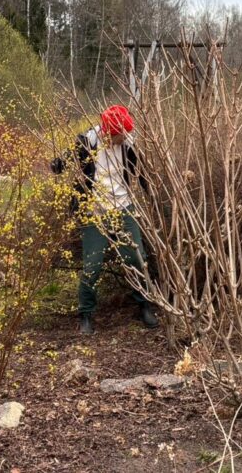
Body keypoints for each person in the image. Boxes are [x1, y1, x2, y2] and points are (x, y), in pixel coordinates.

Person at [51, 105, 158, 335]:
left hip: (123, 207)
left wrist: (152, 194)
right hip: (95, 211)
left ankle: (144, 305)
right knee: (92, 265)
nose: (123, 138)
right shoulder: (88, 142)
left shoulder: (128, 142)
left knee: (137, 258)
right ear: (108, 132)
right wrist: (57, 165)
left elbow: (142, 173)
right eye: (119, 135)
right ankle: (85, 315)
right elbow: (65, 162)